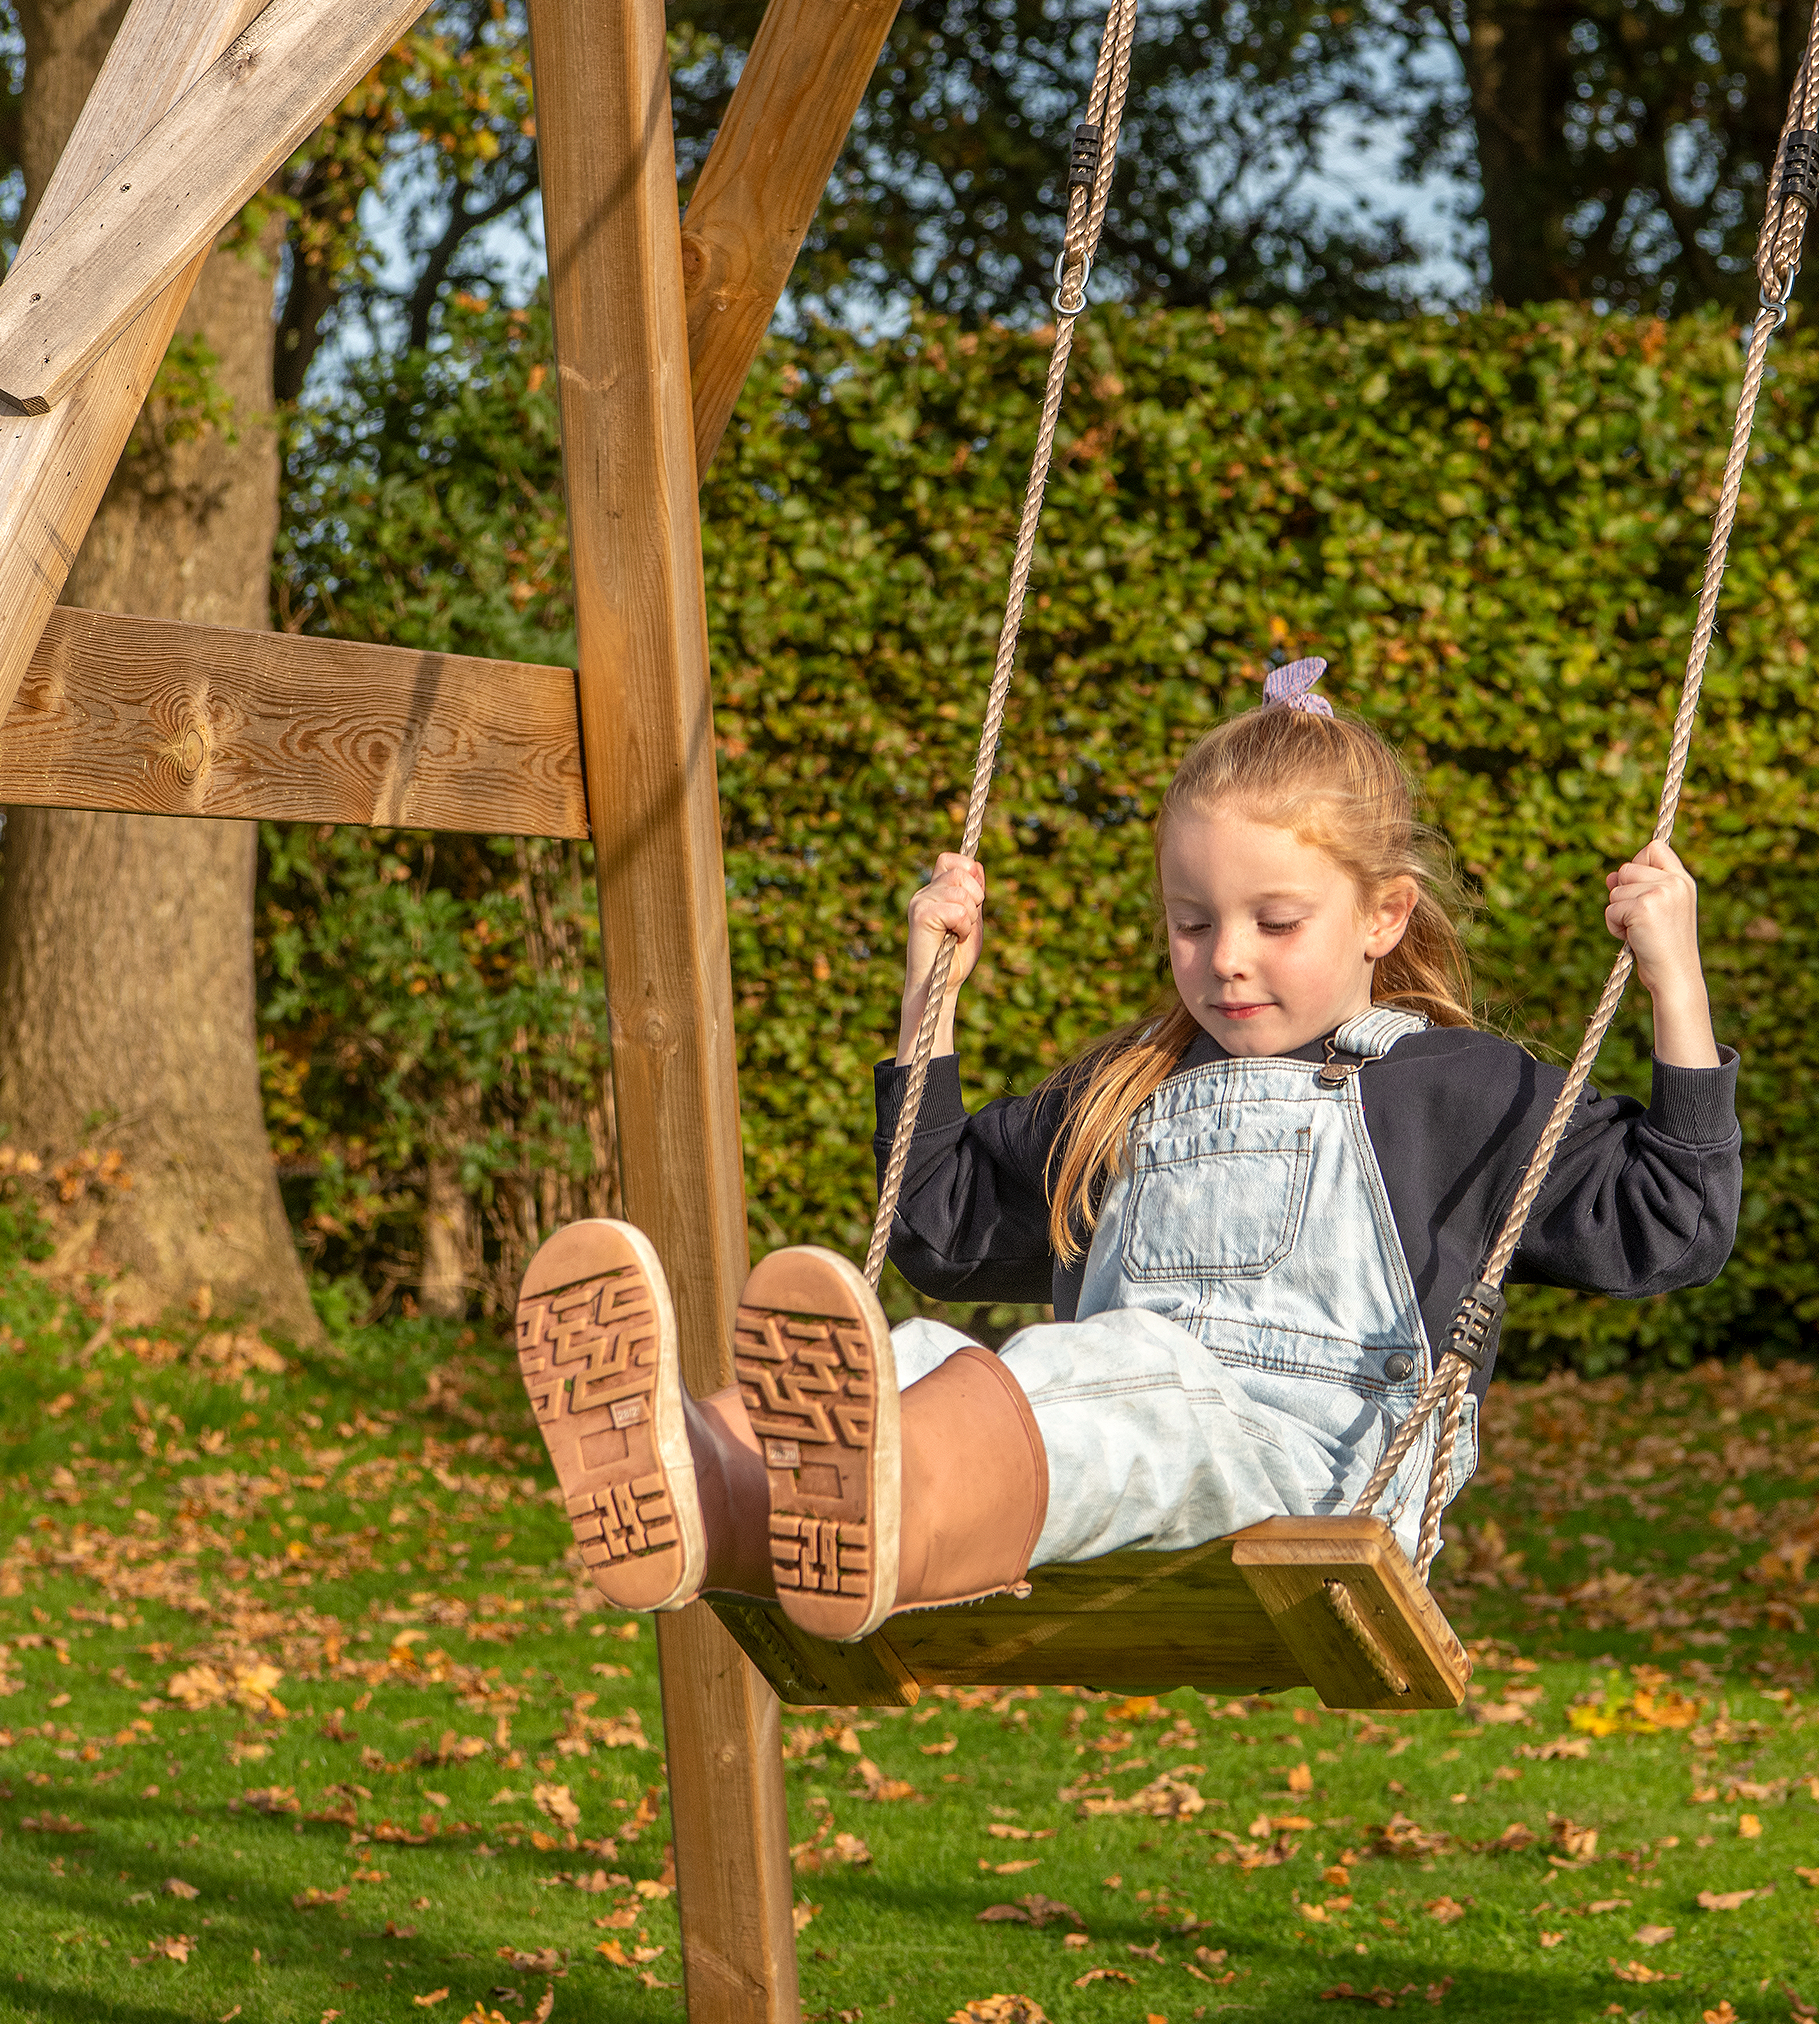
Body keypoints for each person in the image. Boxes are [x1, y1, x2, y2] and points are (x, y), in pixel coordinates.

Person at [512, 661, 1740, 1645]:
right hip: (1118, 1406)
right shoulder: (1132, 1092)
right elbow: (938, 1227)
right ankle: (699, 1485)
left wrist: (1671, 977)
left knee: (1107, 1378)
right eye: (1191, 924)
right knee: (918, 1353)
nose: (1227, 959)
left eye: (1275, 921)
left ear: (1384, 915)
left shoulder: (1456, 1090)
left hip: (1313, 1464)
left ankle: (886, 1520)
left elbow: (1668, 1221)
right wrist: (923, 1004)